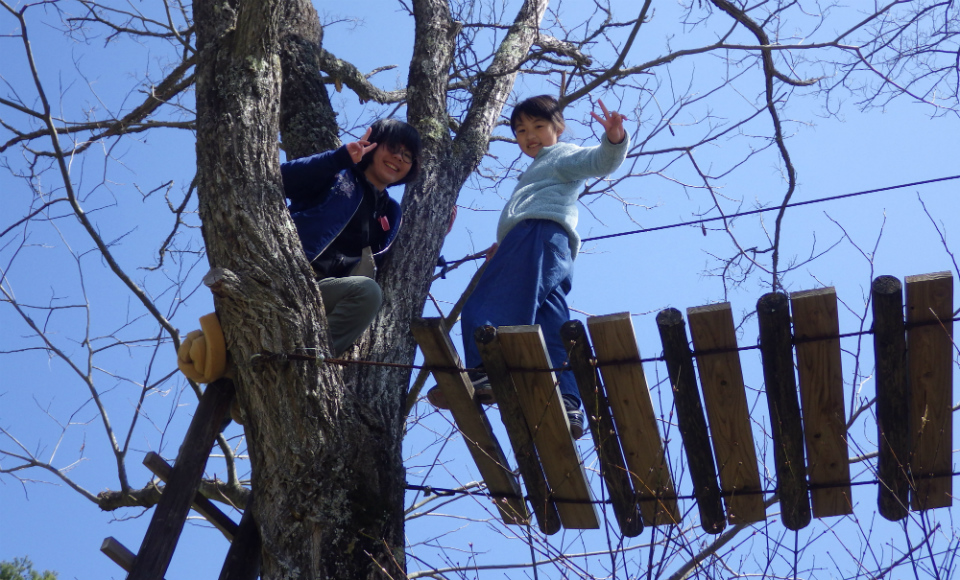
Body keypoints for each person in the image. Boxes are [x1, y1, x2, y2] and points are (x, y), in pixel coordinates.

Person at [429, 95, 629, 439]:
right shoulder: (540, 168)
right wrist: (505, 244)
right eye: (521, 130)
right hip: (551, 247)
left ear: (558, 129)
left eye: (538, 126)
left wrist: (613, 139)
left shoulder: (560, 155)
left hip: (537, 235)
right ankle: (568, 400)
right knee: (552, 323)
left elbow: (599, 161)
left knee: (490, 299)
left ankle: (484, 367)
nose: (529, 135)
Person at [280, 119, 421, 356]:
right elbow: (281, 179)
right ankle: (306, 357)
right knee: (368, 291)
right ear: (373, 146)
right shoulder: (339, 173)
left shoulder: (391, 212)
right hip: (292, 273)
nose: (399, 157)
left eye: (407, 155)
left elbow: (382, 264)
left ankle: (310, 357)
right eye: (393, 147)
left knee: (368, 292)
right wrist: (339, 158)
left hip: (329, 293)